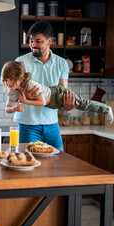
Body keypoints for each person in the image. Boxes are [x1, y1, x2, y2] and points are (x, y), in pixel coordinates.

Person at [14, 20, 78, 151]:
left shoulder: (61, 64)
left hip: (52, 125)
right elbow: (13, 94)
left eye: (38, 41)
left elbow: (62, 94)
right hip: (28, 125)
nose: (33, 45)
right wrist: (24, 96)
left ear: (49, 41)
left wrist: (66, 105)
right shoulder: (20, 62)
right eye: (31, 41)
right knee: (28, 166)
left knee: (59, 164)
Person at [1, 61, 114, 124]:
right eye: (5, 80)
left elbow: (42, 102)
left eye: (11, 79)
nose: (8, 83)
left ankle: (106, 109)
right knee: (82, 105)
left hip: (57, 95)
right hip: (52, 104)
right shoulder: (12, 92)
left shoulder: (30, 85)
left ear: (20, 78)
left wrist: (25, 101)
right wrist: (15, 108)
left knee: (83, 104)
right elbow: (7, 108)